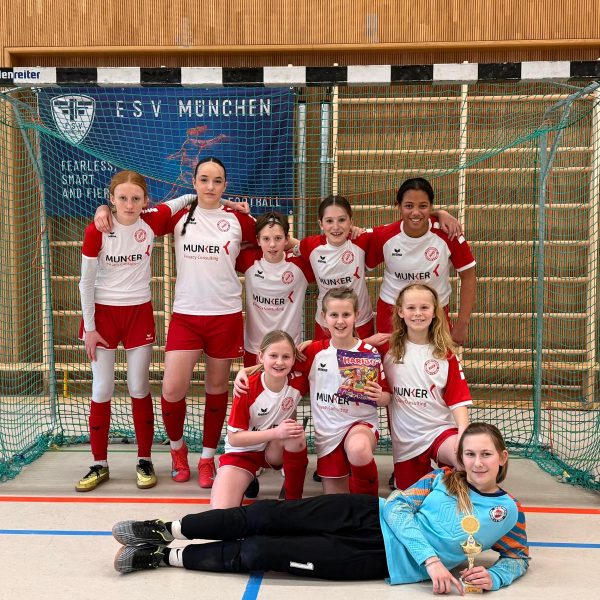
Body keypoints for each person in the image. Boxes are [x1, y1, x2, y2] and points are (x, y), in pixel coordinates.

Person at [112, 422, 530, 594]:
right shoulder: (442, 478)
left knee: (261, 551)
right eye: (469, 454)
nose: (477, 463)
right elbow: (398, 509)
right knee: (264, 515)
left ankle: (162, 556)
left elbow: (518, 557)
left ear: (502, 457)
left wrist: (493, 577)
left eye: (485, 455)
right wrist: (433, 561)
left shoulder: (508, 512)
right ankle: (166, 528)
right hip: (365, 513)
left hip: (375, 558)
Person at [94, 157, 256, 489]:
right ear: (194, 183)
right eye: (204, 179)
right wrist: (103, 208)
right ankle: (178, 451)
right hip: (186, 315)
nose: (210, 186)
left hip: (225, 315)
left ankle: (208, 458)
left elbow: (271, 238)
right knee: (171, 389)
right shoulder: (179, 215)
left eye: (217, 181)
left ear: (225, 185)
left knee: (216, 389)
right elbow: (132, 213)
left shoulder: (240, 220)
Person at [76, 170, 195, 492]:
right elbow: (85, 282)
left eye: (136, 198)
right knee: (102, 388)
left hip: (138, 313)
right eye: (122, 198)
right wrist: (90, 329)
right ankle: (99, 464)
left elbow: (188, 197)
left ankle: (144, 460)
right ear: (111, 199)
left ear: (145, 201)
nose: (129, 204)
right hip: (102, 315)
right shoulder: (97, 229)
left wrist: (228, 203)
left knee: (138, 386)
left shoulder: (151, 221)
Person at [239, 287, 391, 496]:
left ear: (356, 315)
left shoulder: (368, 353)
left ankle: (370, 507)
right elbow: (277, 365)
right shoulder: (313, 352)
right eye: (334, 315)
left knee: (358, 448)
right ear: (323, 317)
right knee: (334, 501)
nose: (340, 321)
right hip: (328, 434)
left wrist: (379, 396)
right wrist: (244, 371)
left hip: (360, 426)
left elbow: (386, 397)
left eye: (346, 314)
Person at [367, 177, 476, 347]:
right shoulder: (383, 236)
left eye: (423, 206)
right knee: (393, 363)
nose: (415, 212)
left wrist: (462, 323)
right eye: (409, 206)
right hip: (392, 312)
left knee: (435, 361)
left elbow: (468, 277)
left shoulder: (449, 234)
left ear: (431, 207)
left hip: (435, 314)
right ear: (398, 206)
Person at [383, 283, 472, 490]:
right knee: (412, 497)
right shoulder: (387, 350)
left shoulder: (445, 354)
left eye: (424, 307)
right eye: (411, 308)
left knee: (466, 459)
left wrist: (463, 433)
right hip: (406, 442)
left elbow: (458, 400)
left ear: (434, 312)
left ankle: (477, 500)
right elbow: (353, 348)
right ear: (400, 312)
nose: (418, 313)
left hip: (439, 432)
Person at [210, 330, 309, 508]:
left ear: (294, 359)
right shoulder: (246, 387)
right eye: (273, 356)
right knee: (221, 512)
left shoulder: (299, 380)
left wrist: (310, 343)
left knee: (295, 434)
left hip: (272, 450)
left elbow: (334, 345)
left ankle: (294, 502)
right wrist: (276, 432)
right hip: (242, 453)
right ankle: (247, 478)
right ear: (261, 357)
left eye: (286, 357)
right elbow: (234, 438)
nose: (280, 362)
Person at [236, 211, 314, 368]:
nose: (272, 244)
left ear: (287, 239)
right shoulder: (248, 259)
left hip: (289, 349)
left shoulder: (300, 264)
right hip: (255, 349)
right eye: (266, 239)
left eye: (278, 238)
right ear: (257, 240)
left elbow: (322, 253)